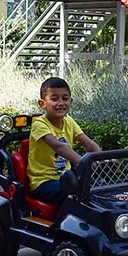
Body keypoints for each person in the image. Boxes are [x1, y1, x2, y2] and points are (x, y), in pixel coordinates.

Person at [28, 76, 102, 205]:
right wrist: (84, 162)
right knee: (78, 193)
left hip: (67, 178)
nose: (61, 103)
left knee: (101, 187)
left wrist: (101, 158)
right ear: (42, 104)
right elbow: (59, 147)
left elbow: (88, 143)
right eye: (54, 99)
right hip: (43, 182)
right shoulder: (39, 124)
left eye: (65, 98)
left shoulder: (69, 122)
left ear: (71, 101)